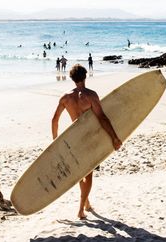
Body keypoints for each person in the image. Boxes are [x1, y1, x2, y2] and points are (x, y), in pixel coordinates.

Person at [51, 64, 122, 219]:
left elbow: (54, 120)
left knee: (80, 173)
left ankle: (87, 202)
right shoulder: (91, 96)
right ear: (85, 76)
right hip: (89, 140)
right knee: (88, 175)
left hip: (74, 140)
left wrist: (55, 142)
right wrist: (114, 137)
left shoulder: (65, 98)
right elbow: (102, 118)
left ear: (72, 78)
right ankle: (81, 210)